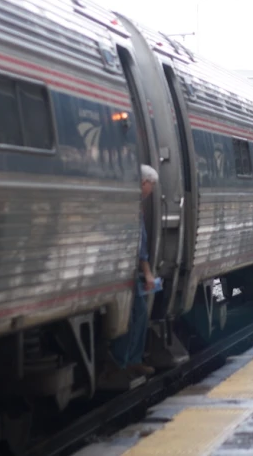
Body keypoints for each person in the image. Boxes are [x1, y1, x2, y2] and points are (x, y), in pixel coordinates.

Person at [103, 165, 159, 387]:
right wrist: (147, 272)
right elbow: (139, 243)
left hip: (129, 269)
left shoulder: (134, 205)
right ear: (144, 182)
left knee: (138, 314)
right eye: (151, 186)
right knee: (135, 314)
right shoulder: (131, 205)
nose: (151, 191)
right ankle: (121, 361)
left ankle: (131, 360)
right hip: (125, 269)